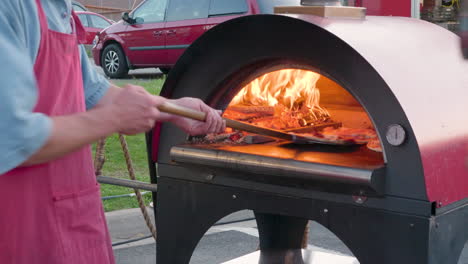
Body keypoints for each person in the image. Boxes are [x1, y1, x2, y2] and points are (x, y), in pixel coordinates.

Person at [0, 0, 225, 263]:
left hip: (71, 208)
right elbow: (11, 135)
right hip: (21, 224)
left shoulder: (58, 8)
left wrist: (171, 108)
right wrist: (114, 118)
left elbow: (94, 92)